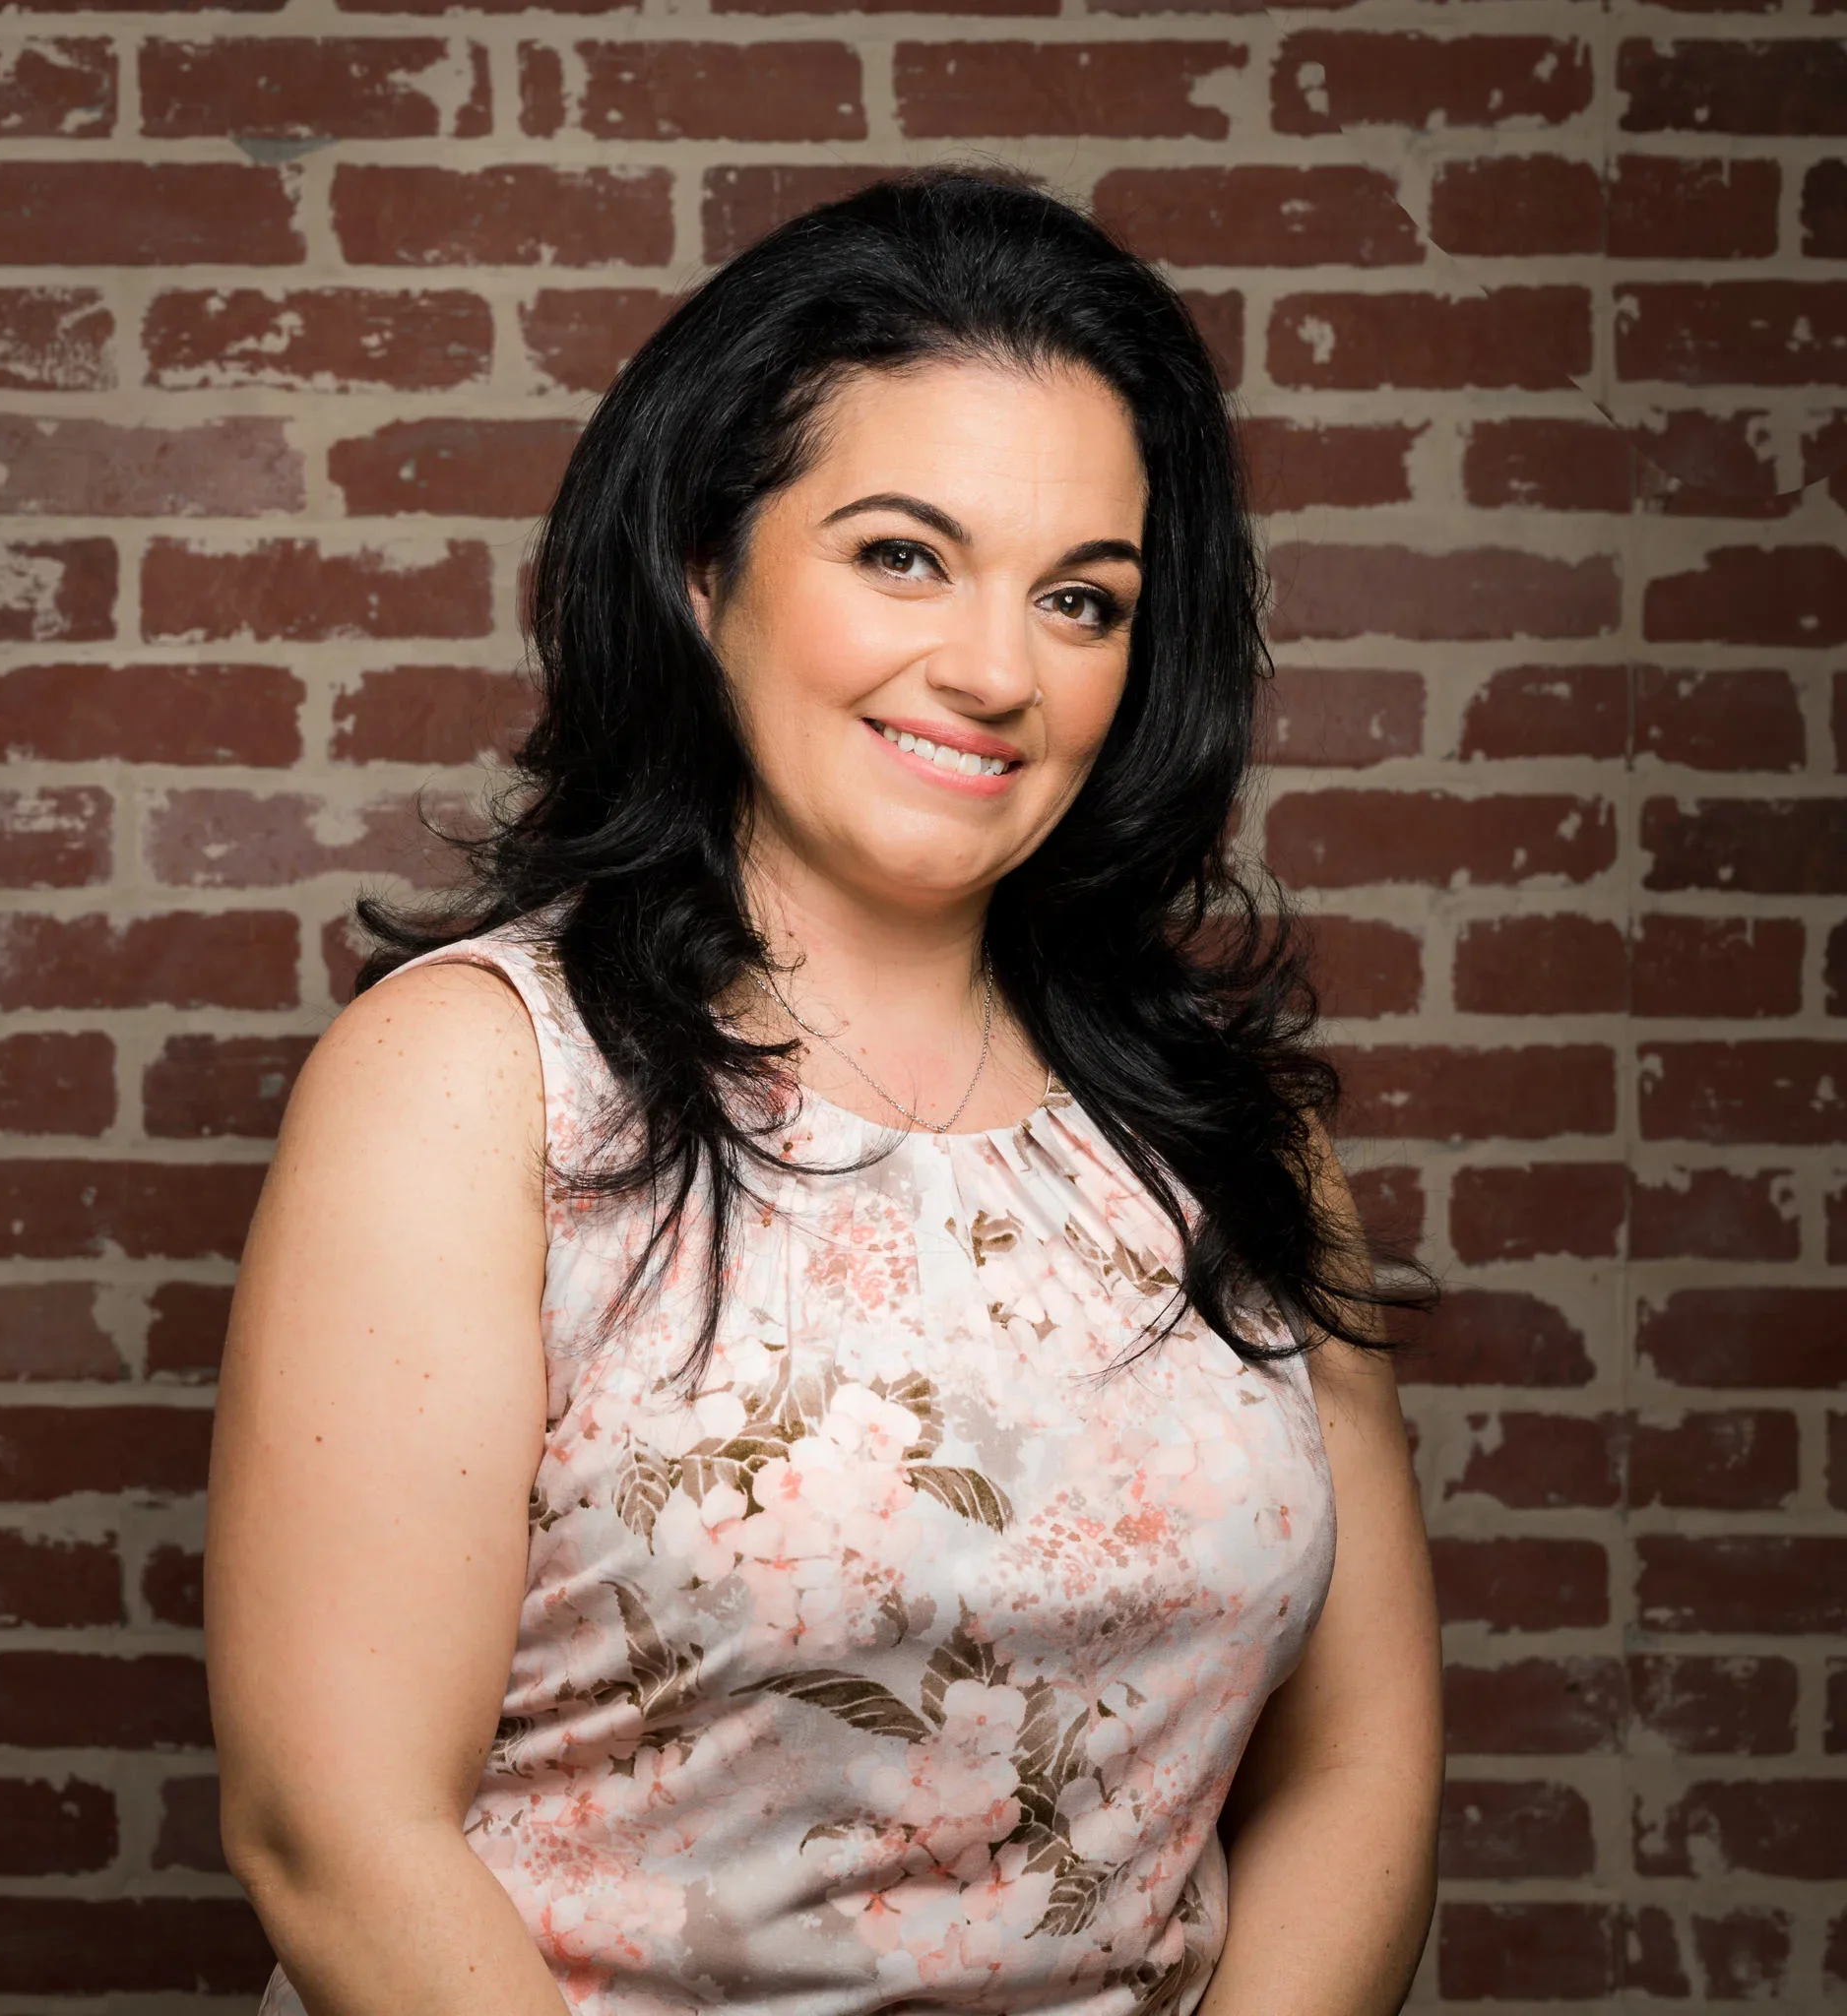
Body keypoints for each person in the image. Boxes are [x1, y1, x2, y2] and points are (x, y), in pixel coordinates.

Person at [204, 167, 1443, 2016]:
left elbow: (1359, 1768)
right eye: (901, 555)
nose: (996, 670)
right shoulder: (476, 1082)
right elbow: (334, 1827)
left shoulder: (1232, 1134)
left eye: (1084, 600)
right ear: (705, 572)